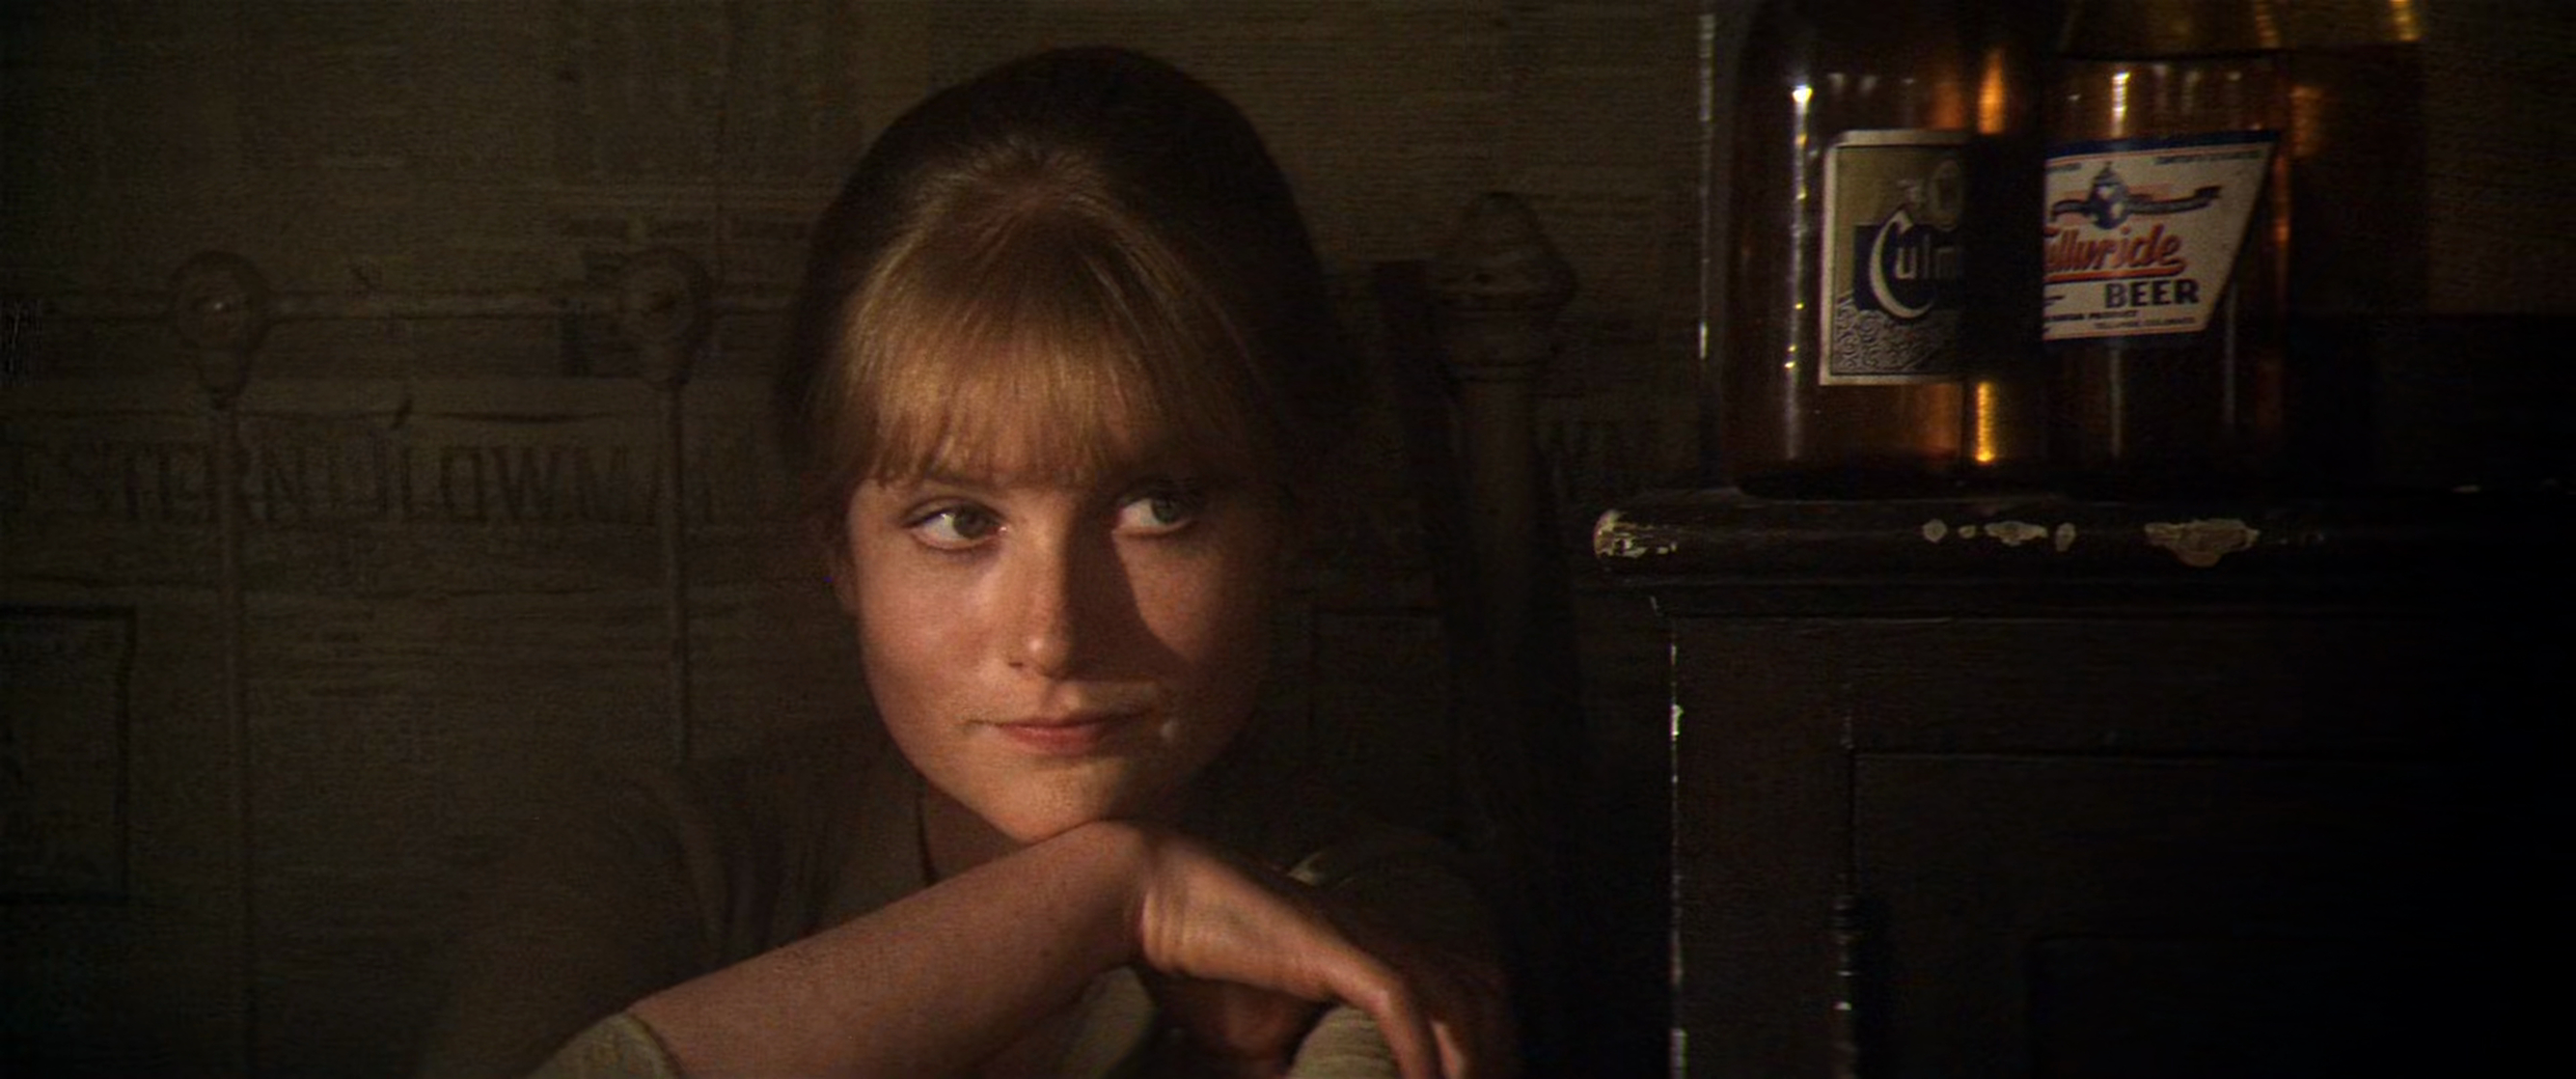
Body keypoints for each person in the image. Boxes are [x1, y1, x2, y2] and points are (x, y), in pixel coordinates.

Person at [415, 45, 1514, 1079]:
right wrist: (1108, 894)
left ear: (1290, 518)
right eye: (957, 520)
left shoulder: (1366, 908)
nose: (1052, 636)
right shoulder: (654, 867)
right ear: (838, 550)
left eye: (1157, 507)